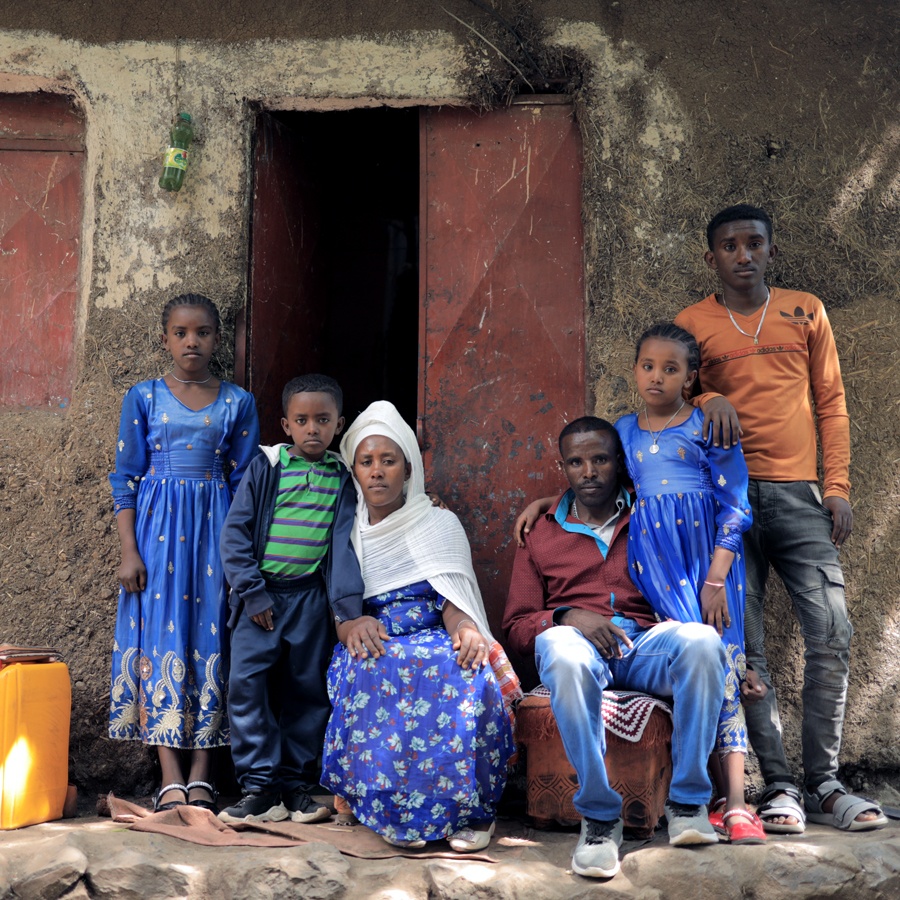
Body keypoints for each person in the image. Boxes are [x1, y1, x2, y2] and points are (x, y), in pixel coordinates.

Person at [674, 204, 887, 833]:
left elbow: (832, 403)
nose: (744, 255)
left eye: (755, 244)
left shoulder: (806, 310)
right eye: (730, 246)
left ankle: (825, 782)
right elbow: (672, 391)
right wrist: (707, 394)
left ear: (771, 249)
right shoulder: (693, 324)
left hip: (800, 497)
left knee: (833, 633)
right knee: (747, 653)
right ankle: (778, 788)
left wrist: (839, 487)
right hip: (724, 506)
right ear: (711, 257)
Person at [504, 417, 727, 879]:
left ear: (620, 463)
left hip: (646, 643)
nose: (588, 471)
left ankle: (687, 804)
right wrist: (567, 616)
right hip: (580, 651)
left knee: (702, 641)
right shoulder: (540, 534)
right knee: (559, 647)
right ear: (562, 466)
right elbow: (519, 628)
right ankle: (600, 817)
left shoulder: (650, 513)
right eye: (576, 462)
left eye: (600, 459)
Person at [322, 401, 519, 852]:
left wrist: (465, 628)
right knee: (369, 667)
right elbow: (341, 608)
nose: (377, 472)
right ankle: (392, 809)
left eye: (388, 461)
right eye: (366, 462)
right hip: (376, 634)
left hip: (433, 631)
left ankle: (474, 812)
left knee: (466, 669)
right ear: (354, 470)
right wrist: (350, 626)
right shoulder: (346, 530)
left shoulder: (437, 522)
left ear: (407, 469)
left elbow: (451, 599)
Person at [109, 293, 260, 813]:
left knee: (210, 637)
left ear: (218, 339)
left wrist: (241, 554)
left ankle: (203, 773)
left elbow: (245, 482)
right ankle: (169, 774)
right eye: (180, 332)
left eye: (202, 332)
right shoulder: (145, 397)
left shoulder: (238, 402)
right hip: (155, 533)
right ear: (165, 337)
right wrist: (130, 550)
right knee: (160, 641)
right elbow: (124, 477)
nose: (191, 341)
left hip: (216, 533)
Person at [616, 322, 765, 843]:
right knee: (692, 666)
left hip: (707, 564)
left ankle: (739, 802)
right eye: (648, 366)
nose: (657, 377)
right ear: (635, 369)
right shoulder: (624, 430)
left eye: (671, 369)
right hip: (656, 567)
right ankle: (694, 796)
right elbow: (597, 483)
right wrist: (548, 503)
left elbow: (736, 505)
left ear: (690, 377)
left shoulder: (706, 423)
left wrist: (717, 578)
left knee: (723, 663)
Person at [217, 374, 364, 825]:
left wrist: (344, 608)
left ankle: (297, 786)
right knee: (247, 688)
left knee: (307, 691)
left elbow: (344, 545)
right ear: (285, 424)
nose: (313, 429)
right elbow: (235, 533)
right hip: (260, 600)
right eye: (302, 420)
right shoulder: (268, 466)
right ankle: (259, 789)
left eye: (323, 419)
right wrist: (253, 592)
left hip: (309, 602)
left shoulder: (343, 476)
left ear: (339, 424)